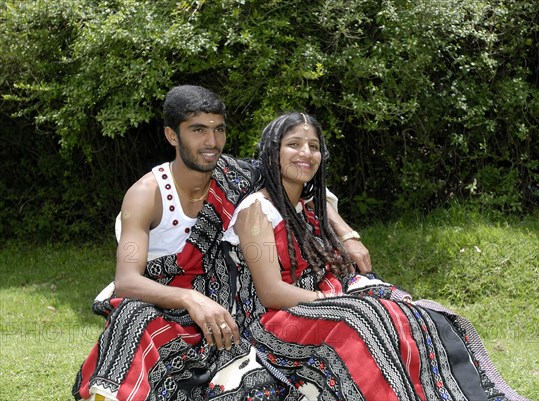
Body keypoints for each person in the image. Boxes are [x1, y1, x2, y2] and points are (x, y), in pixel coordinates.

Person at [72, 86, 369, 401]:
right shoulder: (146, 194)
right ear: (172, 136)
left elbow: (301, 182)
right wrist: (191, 299)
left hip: (230, 307)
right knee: (133, 315)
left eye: (219, 130)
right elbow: (127, 280)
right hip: (166, 305)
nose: (211, 142)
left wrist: (347, 234)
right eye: (198, 130)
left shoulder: (235, 174)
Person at [217, 112, 530, 400]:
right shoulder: (256, 212)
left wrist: (349, 267)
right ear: (273, 153)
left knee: (411, 310)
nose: (306, 153)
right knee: (365, 319)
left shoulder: (305, 205)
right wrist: (334, 299)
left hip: (316, 300)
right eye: (294, 145)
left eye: (314, 146)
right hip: (273, 318)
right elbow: (271, 292)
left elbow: (323, 205)